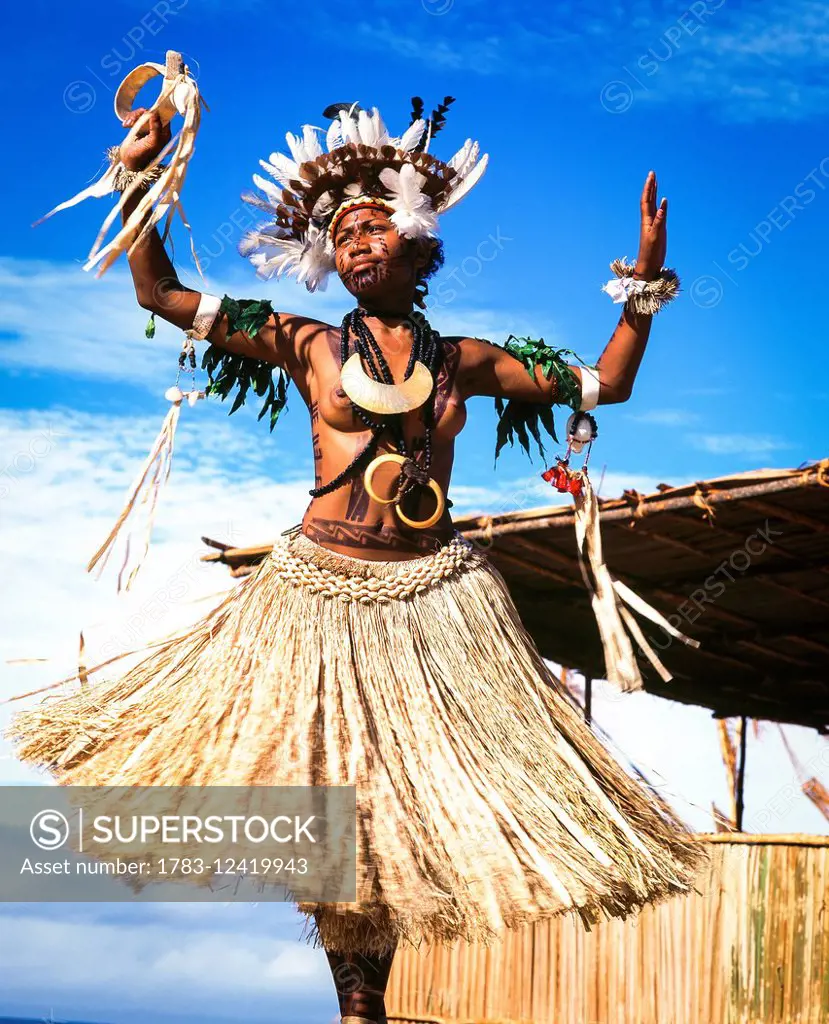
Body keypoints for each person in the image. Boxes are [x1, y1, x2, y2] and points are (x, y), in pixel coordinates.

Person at [5, 99, 697, 1024]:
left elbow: (602, 385)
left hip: (434, 603)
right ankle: (355, 1007)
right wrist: (140, 176)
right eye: (341, 235)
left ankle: (365, 1007)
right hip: (320, 594)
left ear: (417, 244)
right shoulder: (307, 343)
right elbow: (160, 294)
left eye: (374, 226)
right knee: (339, 811)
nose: (357, 243)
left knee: (397, 815)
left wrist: (643, 289)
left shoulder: (467, 361)